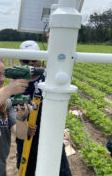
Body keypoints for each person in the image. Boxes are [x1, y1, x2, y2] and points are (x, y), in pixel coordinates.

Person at [16, 40, 72, 176]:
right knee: (27, 168)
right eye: (25, 60)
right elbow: (13, 113)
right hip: (27, 134)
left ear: (41, 58)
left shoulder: (51, 78)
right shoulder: (16, 83)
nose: (30, 63)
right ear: (20, 61)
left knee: (59, 167)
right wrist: (22, 126)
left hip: (50, 132)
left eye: (34, 59)